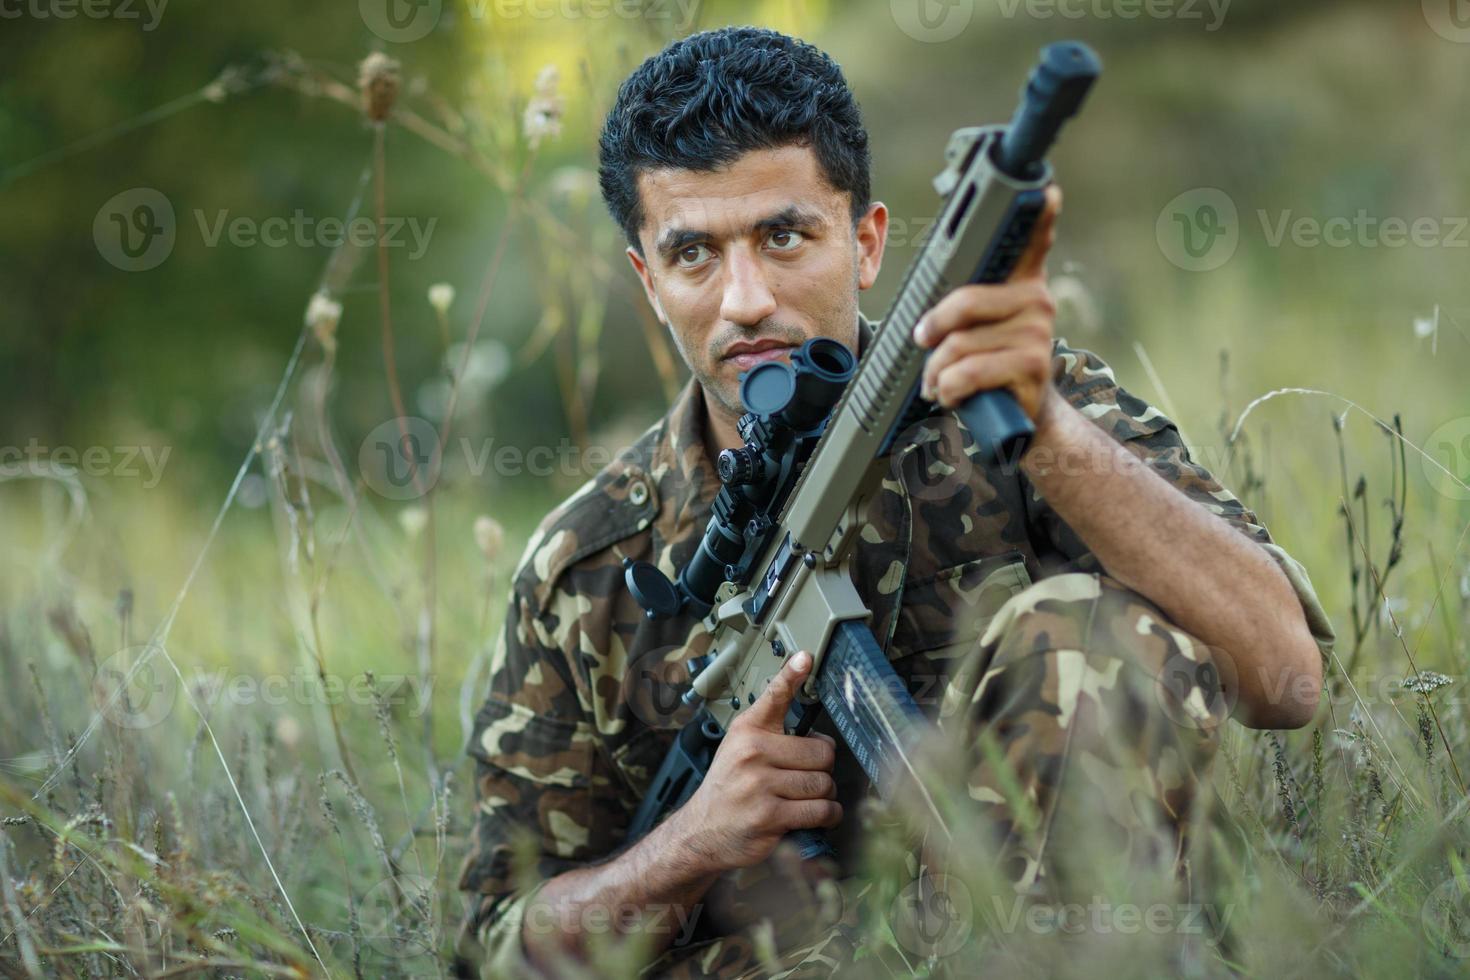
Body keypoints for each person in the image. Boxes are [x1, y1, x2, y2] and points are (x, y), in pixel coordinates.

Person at [455, 26, 1334, 979]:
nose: (745, 300)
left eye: (784, 236)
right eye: (695, 254)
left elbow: (1284, 679)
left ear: (867, 243)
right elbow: (495, 944)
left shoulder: (1015, 403)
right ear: (648, 281)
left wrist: (1047, 431)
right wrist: (692, 845)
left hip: (1048, 944)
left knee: (1082, 632)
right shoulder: (584, 565)